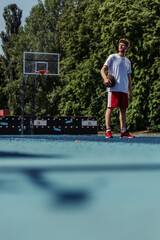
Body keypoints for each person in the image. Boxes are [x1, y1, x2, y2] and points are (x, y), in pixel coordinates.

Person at [100, 38, 135, 138]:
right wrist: (105, 78)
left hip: (124, 89)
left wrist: (130, 92)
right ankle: (108, 131)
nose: (120, 46)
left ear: (127, 47)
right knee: (110, 108)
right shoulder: (112, 57)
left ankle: (123, 131)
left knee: (123, 110)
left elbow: (129, 77)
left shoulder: (128, 61)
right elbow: (102, 69)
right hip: (114, 88)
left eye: (123, 45)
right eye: (120, 44)